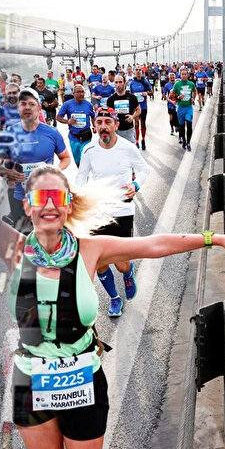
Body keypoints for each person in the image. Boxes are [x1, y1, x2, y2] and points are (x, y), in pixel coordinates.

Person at [0, 164, 225, 449]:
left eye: (57, 196)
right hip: (30, 384)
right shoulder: (13, 249)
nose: (49, 205)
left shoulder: (90, 250)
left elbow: (153, 244)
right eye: (40, 196)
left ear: (69, 204)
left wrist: (214, 239)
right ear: (27, 204)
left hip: (81, 383)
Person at [75, 108, 150, 316]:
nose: (103, 126)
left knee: (121, 265)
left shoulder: (128, 148)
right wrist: (78, 194)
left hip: (123, 210)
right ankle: (114, 298)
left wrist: (135, 185)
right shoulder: (89, 150)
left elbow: (144, 169)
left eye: (108, 121)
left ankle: (128, 272)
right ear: (95, 126)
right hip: (98, 211)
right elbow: (81, 176)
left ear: (116, 125)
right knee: (99, 261)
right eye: (99, 122)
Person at [0, 87, 72, 228]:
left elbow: (65, 158)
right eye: (23, 104)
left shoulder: (52, 133)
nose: (27, 108)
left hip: (47, 197)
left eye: (32, 104)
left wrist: (55, 170)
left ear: (39, 108)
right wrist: (9, 173)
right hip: (20, 199)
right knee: (24, 242)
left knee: (47, 241)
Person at [57, 84, 96, 167]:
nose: (81, 94)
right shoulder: (67, 104)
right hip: (74, 137)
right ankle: (81, 172)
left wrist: (94, 126)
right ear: (73, 93)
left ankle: (84, 176)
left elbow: (93, 116)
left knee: (85, 159)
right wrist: (68, 121)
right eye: (78, 92)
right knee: (78, 161)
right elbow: (58, 117)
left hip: (86, 136)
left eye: (82, 92)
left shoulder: (88, 104)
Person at [104, 73, 140, 145]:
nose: (118, 85)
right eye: (116, 82)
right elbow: (108, 115)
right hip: (116, 131)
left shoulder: (132, 97)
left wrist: (132, 117)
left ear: (124, 83)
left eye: (120, 82)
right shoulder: (111, 99)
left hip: (129, 131)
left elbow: (138, 110)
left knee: (130, 154)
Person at [170, 67, 197, 152]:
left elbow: (194, 91)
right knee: (181, 126)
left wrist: (193, 98)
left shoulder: (191, 84)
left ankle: (188, 143)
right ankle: (184, 140)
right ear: (180, 75)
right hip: (180, 108)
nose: (184, 76)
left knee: (189, 124)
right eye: (182, 74)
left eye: (185, 74)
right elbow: (171, 95)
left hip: (189, 108)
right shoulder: (177, 84)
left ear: (187, 75)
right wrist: (178, 97)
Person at [129, 67, 153, 150]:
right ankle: (136, 141)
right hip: (135, 107)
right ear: (134, 72)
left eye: (139, 70)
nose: (138, 71)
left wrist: (147, 93)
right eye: (136, 70)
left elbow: (151, 92)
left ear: (141, 72)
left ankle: (143, 139)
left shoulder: (145, 81)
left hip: (143, 107)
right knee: (136, 124)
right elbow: (130, 94)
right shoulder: (132, 83)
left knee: (143, 124)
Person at [164, 72, 180, 137]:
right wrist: (171, 101)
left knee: (178, 118)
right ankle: (172, 129)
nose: (172, 77)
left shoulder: (178, 84)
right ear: (169, 77)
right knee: (171, 118)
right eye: (171, 76)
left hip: (177, 105)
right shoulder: (167, 85)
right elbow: (165, 96)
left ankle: (177, 127)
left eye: (173, 76)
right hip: (170, 104)